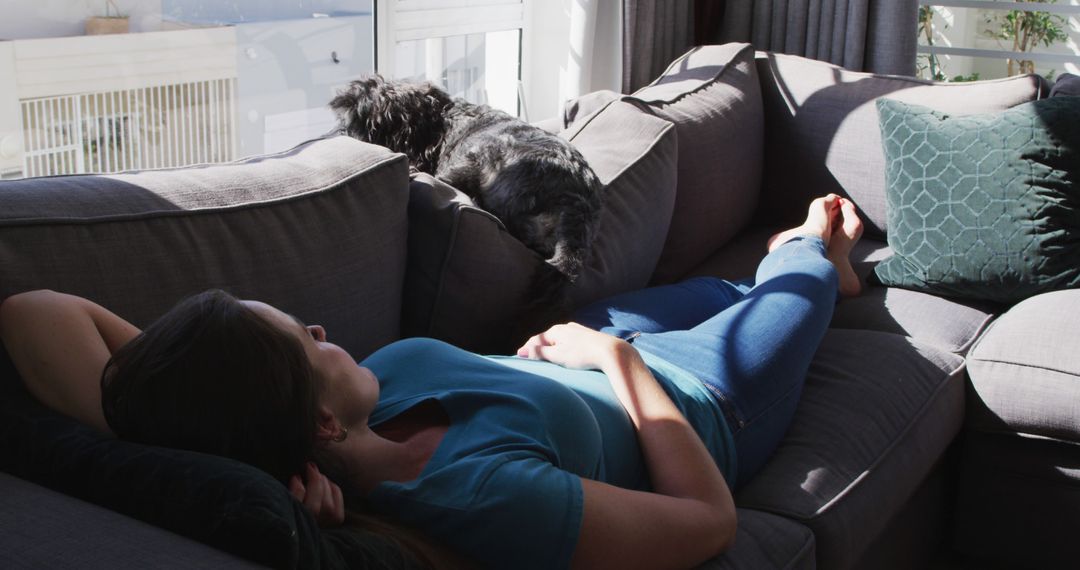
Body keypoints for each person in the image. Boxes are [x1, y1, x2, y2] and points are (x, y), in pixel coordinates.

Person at [0, 194, 863, 570]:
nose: (324, 330)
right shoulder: (477, 496)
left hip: (583, 349)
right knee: (803, 266)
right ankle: (821, 257)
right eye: (306, 341)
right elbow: (706, 523)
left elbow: (33, 309)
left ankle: (758, 280)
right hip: (699, 399)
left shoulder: (357, 396)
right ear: (323, 430)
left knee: (721, 288)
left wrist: (150, 422)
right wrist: (621, 365)